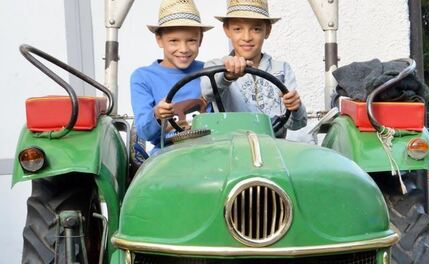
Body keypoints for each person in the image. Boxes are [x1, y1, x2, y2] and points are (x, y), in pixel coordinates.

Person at [201, 0, 307, 138]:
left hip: (273, 146)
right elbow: (208, 92)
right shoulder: (216, 66)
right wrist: (227, 76)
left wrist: (296, 107)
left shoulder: (282, 69)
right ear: (227, 30)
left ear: (267, 30)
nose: (247, 37)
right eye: (238, 29)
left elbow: (296, 124)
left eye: (256, 29)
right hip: (232, 147)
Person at [130, 0, 213, 154]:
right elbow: (144, 131)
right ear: (159, 39)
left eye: (191, 40)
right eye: (174, 41)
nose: (183, 49)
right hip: (167, 153)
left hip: (209, 149)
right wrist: (157, 114)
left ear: (200, 40)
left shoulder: (209, 71)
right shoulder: (143, 77)